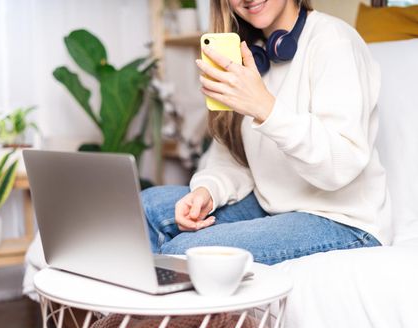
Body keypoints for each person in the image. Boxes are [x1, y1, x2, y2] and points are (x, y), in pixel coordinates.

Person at [141, 0, 391, 265]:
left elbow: (341, 165)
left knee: (186, 251)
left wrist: (266, 109)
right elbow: (233, 159)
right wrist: (208, 190)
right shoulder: (250, 54)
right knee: (145, 207)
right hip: (269, 206)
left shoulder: (334, 41)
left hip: (342, 220)